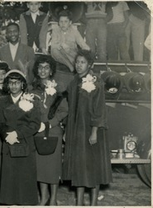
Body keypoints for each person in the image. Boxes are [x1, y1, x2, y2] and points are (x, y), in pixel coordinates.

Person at [62, 50, 112, 206]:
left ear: (90, 65)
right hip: (76, 131)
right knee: (79, 167)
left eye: (82, 62)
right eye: (77, 62)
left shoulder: (96, 82)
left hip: (91, 131)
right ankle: (79, 202)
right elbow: (70, 108)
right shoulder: (73, 82)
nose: (78, 65)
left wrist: (95, 132)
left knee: (93, 167)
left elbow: (100, 110)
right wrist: (66, 130)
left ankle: (93, 203)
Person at [0, 69, 41, 205]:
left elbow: (35, 124)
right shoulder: (3, 100)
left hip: (25, 143)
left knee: (25, 179)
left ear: (23, 84)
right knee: (10, 179)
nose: (14, 86)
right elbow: (0, 122)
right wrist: (6, 135)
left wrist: (18, 134)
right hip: (8, 143)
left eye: (17, 83)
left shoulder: (31, 100)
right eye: (11, 83)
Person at [30, 55, 68, 205]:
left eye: (46, 67)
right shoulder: (32, 88)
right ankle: (43, 197)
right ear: (36, 70)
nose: (43, 70)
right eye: (40, 67)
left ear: (51, 70)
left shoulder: (59, 89)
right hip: (38, 131)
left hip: (53, 131)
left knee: (53, 167)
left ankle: (53, 199)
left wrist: (50, 123)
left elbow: (64, 110)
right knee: (41, 167)